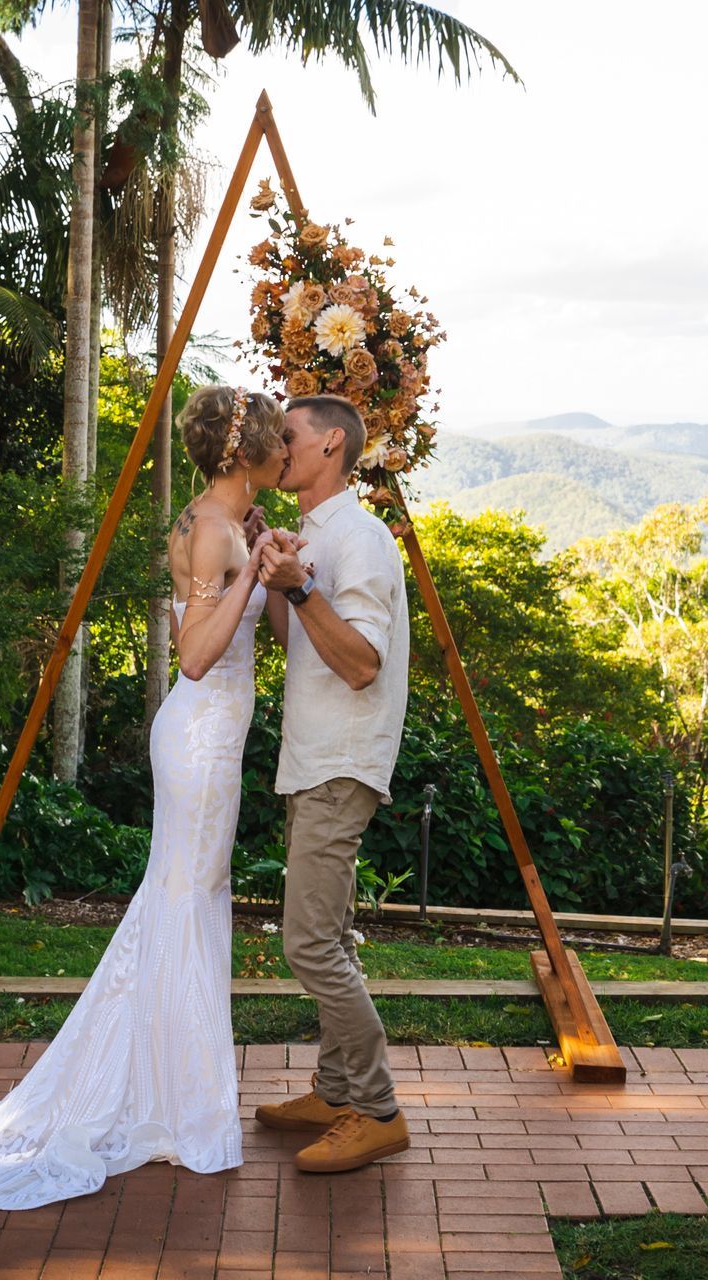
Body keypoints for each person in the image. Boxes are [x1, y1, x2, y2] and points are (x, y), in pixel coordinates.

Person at [0, 386, 288, 1210]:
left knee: (188, 907)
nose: (287, 449)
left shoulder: (219, 525)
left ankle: (173, 1104)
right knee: (183, 906)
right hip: (200, 741)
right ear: (247, 455)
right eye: (278, 439)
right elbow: (199, 655)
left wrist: (266, 565)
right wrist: (254, 571)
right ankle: (176, 1112)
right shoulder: (209, 530)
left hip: (209, 740)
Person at [252, 394, 412, 1174]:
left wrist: (303, 587)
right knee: (332, 935)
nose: (275, 447)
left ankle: (377, 1108)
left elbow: (360, 665)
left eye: (288, 437)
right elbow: (300, 645)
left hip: (343, 758)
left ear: (331, 447)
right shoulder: (316, 534)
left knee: (309, 942)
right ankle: (338, 1088)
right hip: (312, 754)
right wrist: (283, 578)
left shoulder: (363, 538)